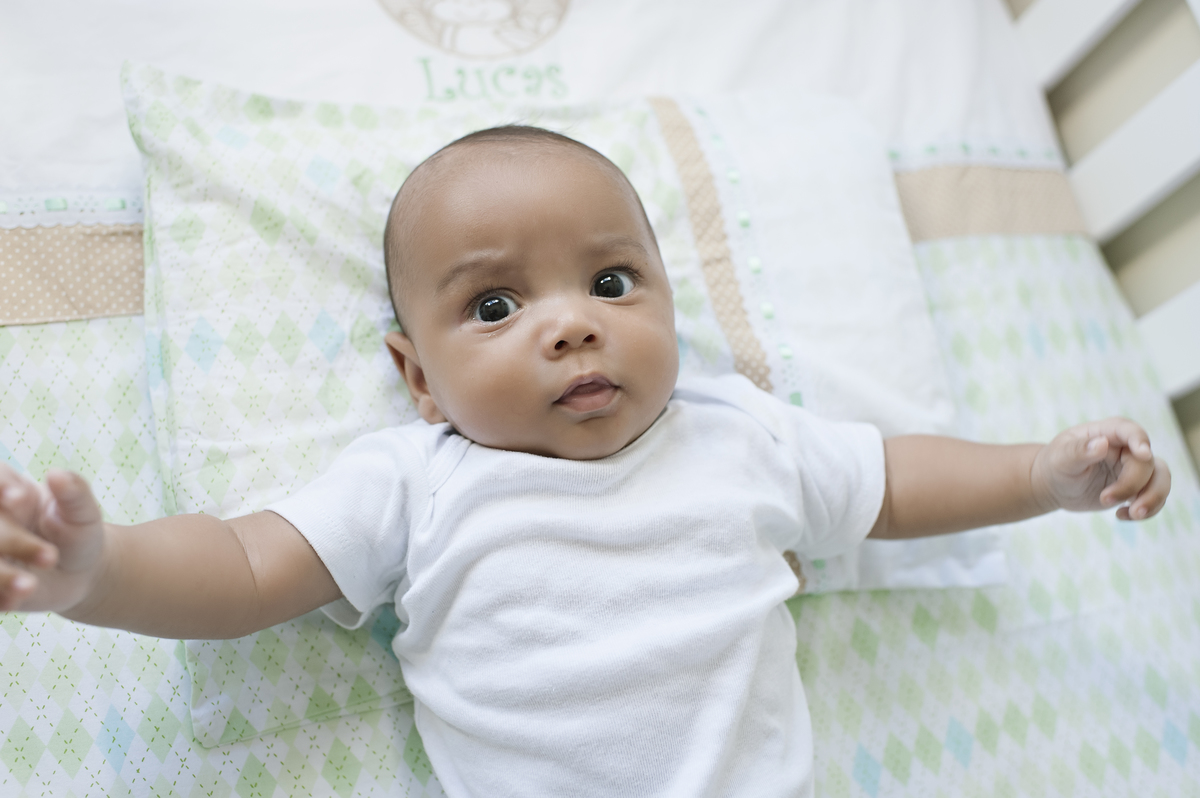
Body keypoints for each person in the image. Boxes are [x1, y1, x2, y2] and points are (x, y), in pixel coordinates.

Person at [0, 126, 1172, 797]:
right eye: (497, 304)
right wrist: (99, 573)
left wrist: (1040, 476)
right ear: (419, 379)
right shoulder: (419, 479)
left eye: (611, 284)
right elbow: (246, 568)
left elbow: (896, 483)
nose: (571, 325)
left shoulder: (740, 432)